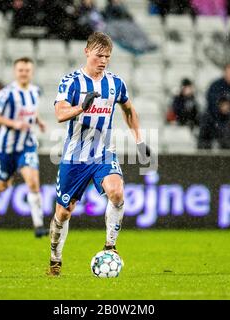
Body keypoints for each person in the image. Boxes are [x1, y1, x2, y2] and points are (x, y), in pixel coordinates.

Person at [47, 32, 151, 276]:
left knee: (116, 192)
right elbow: (60, 114)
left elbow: (128, 109)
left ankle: (110, 246)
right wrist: (82, 107)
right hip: (74, 157)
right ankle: (55, 257)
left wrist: (140, 139)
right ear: (87, 52)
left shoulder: (115, 83)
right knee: (63, 212)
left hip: (103, 153)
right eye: (98, 55)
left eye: (107, 56)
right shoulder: (71, 81)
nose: (103, 60)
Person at [0, 57, 49, 238]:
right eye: (21, 70)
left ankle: (38, 226)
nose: (24, 73)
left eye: (27, 70)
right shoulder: (6, 93)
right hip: (7, 147)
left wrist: (39, 122)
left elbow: (31, 111)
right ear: (15, 72)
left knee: (33, 182)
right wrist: (13, 123)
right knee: (4, 183)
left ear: (32, 72)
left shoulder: (35, 91)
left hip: (27, 145)